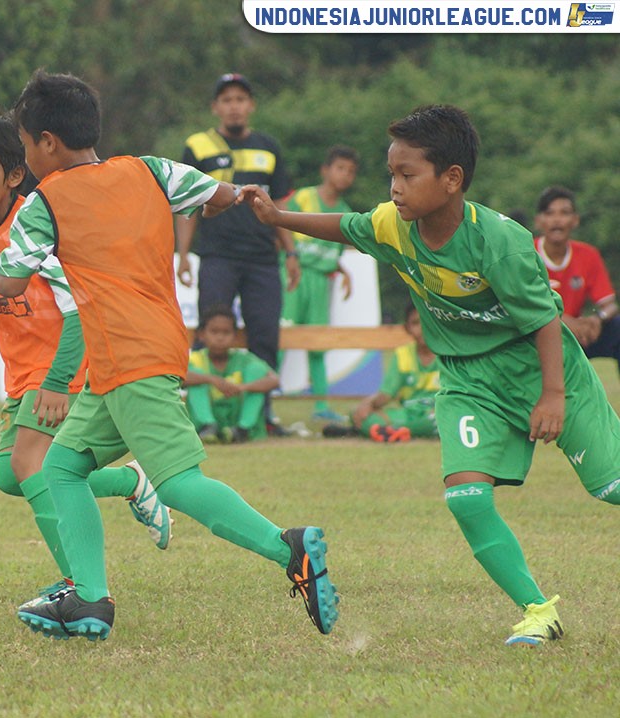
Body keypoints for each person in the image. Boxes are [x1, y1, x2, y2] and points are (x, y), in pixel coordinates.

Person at [0, 70, 339, 642]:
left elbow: (12, 283)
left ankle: (287, 547)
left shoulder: (43, 202)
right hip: (146, 348)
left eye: (24, 144)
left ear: (46, 142)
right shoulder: (149, 169)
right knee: (62, 469)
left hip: (128, 357)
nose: (25, 156)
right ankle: (90, 600)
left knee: (177, 482)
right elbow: (220, 197)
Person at [248, 103, 620, 647]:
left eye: (406, 175)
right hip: (468, 379)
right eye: (390, 174)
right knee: (466, 497)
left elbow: (544, 321)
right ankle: (538, 612)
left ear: (452, 180)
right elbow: (344, 228)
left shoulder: (500, 240)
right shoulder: (393, 227)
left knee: (611, 489)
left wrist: (554, 396)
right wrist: (280, 219)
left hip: (542, 371)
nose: (394, 188)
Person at [0, 101, 172, 597]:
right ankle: (132, 483)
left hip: (65, 362)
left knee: (32, 466)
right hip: (21, 370)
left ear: (14, 176)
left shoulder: (36, 222)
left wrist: (57, 381)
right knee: (12, 475)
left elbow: (77, 308)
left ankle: (80, 584)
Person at [175, 73, 299, 435]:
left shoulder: (268, 147)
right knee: (209, 334)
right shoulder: (198, 147)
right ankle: (203, 418)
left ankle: (261, 416)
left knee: (264, 334)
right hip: (217, 256)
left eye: (240, 99)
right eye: (226, 99)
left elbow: (280, 207)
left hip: (262, 257)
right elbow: (186, 203)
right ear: (216, 107)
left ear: (251, 106)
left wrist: (290, 255)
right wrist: (183, 254)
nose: (234, 106)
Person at [281, 146, 359, 422]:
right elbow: (279, 225)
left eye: (350, 171)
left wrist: (343, 271)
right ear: (325, 170)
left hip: (321, 283)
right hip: (295, 277)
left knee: (317, 342)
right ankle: (264, 404)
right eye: (340, 168)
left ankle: (321, 405)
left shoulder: (344, 211)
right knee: (282, 337)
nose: (345, 175)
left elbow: (328, 249)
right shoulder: (304, 197)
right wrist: (289, 258)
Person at [533, 185, 620, 375]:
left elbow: (610, 305)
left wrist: (597, 319)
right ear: (539, 221)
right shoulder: (527, 254)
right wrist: (563, 321)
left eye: (564, 213)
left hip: (579, 335)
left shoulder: (588, 255)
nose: (557, 219)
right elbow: (521, 305)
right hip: (537, 335)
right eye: (549, 213)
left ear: (575, 220)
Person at [322, 303, 439, 442]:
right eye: (415, 323)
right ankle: (398, 431)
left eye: (427, 322)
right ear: (407, 328)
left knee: (443, 419)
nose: (422, 329)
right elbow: (386, 394)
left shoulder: (448, 354)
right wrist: (368, 405)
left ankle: (388, 431)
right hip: (408, 413)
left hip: (438, 412)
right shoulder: (403, 354)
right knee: (359, 414)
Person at [184, 304, 278, 444]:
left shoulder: (244, 359)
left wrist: (242, 388)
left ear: (235, 336)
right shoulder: (196, 358)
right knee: (194, 375)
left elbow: (274, 380)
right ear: (201, 335)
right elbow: (177, 377)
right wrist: (211, 379)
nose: (220, 338)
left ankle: (243, 428)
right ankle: (207, 426)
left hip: (235, 416)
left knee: (257, 371)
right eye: (214, 332)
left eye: (226, 332)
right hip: (208, 414)